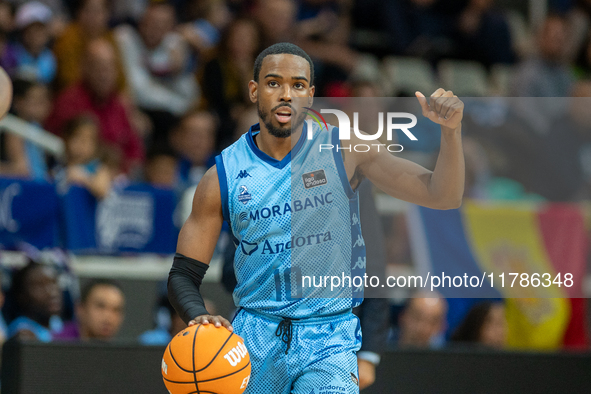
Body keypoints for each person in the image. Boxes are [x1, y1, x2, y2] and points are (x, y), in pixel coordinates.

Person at [167, 42, 465, 393]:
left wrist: (451, 133)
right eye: (273, 83)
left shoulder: (346, 149)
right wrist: (197, 314)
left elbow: (442, 194)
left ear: (310, 94)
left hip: (328, 337)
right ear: (254, 90)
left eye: (297, 85)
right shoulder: (222, 176)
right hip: (254, 336)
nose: (285, 95)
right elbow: (184, 274)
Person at [45, 38, 145, 174]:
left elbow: (134, 151)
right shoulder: (68, 101)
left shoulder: (120, 105)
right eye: (99, 67)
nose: (105, 74)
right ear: (85, 68)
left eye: (110, 68)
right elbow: (61, 150)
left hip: (118, 179)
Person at [0, 78, 50, 180]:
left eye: (44, 99)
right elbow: (22, 169)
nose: (43, 104)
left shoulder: (37, 127)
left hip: (39, 183)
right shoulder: (14, 129)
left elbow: (41, 166)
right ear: (19, 102)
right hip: (27, 186)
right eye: (36, 100)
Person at [54, 115, 115, 199]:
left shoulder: (98, 168)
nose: (83, 145)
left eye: (88, 141)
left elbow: (102, 190)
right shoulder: (58, 166)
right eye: (78, 138)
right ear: (66, 139)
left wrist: (84, 179)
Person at [6, 261, 63, 342]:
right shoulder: (23, 333)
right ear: (22, 296)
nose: (52, 292)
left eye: (54, 283)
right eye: (40, 286)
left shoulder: (57, 323)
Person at [55, 279, 125, 341]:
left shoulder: (123, 354)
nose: (108, 317)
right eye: (100, 306)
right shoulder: (55, 344)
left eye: (116, 310)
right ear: (80, 309)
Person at [11, 1, 56, 83]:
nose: (35, 37)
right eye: (31, 33)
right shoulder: (14, 54)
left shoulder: (50, 58)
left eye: (40, 32)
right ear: (23, 34)